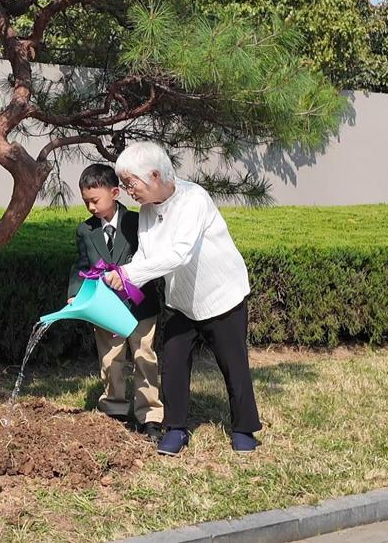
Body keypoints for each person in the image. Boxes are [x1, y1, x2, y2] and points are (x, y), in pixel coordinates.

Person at [105, 141, 261, 456]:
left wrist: (127, 274)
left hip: (221, 296)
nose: (128, 190)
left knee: (234, 366)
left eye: (130, 183)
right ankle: (175, 429)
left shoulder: (194, 199)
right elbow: (147, 257)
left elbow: (180, 254)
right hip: (182, 301)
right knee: (174, 362)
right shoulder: (147, 210)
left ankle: (244, 430)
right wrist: (122, 283)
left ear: (153, 174)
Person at [68, 164, 164, 442]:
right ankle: (115, 409)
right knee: (111, 359)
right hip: (106, 308)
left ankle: (150, 415)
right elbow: (82, 264)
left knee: (144, 357)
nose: (90, 207)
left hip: (140, 305)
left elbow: (151, 257)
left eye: (95, 200)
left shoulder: (137, 222)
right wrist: (76, 291)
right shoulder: (85, 230)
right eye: (86, 201)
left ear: (115, 192)